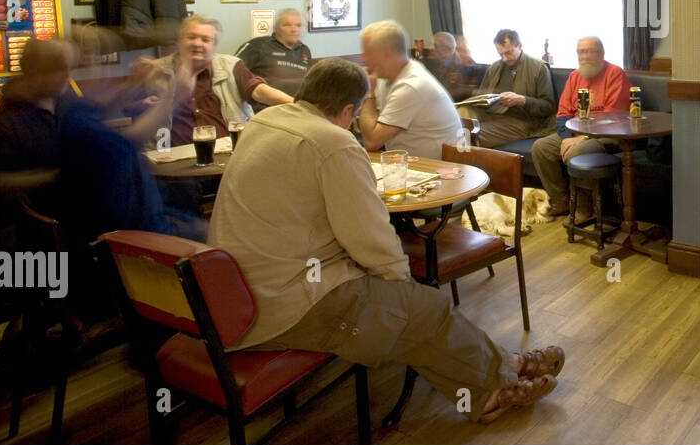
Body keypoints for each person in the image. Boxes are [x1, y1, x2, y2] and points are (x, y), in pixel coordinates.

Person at [207, 57, 563, 423]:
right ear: (349, 110)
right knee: (426, 307)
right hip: (285, 303)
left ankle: (503, 371)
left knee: (410, 308)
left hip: (237, 286)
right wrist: (399, 284)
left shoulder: (262, 122)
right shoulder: (333, 142)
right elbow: (370, 240)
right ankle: (497, 386)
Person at [0, 37, 205, 241]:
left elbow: (96, 109)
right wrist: (173, 97)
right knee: (214, 235)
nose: (67, 76)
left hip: (134, 212)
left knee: (187, 199)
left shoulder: (62, 97)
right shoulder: (9, 122)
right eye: (59, 69)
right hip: (112, 231)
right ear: (33, 72)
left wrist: (133, 83)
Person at [147, 15, 293, 148]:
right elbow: (138, 115)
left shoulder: (230, 66)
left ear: (214, 45)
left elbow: (258, 90)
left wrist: (297, 104)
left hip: (228, 155)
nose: (198, 43)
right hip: (173, 160)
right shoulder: (156, 71)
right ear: (180, 40)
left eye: (205, 40)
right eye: (191, 37)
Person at [530, 36, 631, 219]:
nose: (583, 56)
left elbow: (613, 118)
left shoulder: (615, 74)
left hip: (608, 135)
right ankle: (561, 200)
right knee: (541, 148)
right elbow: (562, 114)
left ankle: (585, 208)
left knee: (579, 151)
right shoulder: (575, 76)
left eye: (588, 51)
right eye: (580, 52)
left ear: (600, 53)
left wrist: (582, 138)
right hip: (575, 133)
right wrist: (568, 138)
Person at [357, 20, 463, 159]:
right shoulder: (386, 77)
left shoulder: (411, 85)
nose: (362, 59)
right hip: (411, 166)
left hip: (441, 171)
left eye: (367, 53)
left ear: (387, 54)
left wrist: (369, 94)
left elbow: (372, 142)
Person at [468, 29, 556, 148]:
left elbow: (548, 107)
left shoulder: (538, 68)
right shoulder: (494, 67)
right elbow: (483, 96)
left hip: (523, 121)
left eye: (508, 53)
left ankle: (466, 164)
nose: (504, 58)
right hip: (493, 114)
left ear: (519, 46)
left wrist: (521, 100)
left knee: (469, 134)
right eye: (500, 54)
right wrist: (478, 97)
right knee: (461, 117)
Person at [234, 8, 313, 107]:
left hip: (298, 109)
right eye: (287, 25)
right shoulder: (258, 45)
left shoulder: (304, 50)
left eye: (298, 25)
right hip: (267, 110)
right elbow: (231, 68)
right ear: (276, 28)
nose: (294, 30)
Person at [423, 31, 485, 102]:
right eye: (430, 44)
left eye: (435, 45)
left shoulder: (463, 67)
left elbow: (462, 92)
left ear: (448, 50)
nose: (430, 48)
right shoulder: (426, 66)